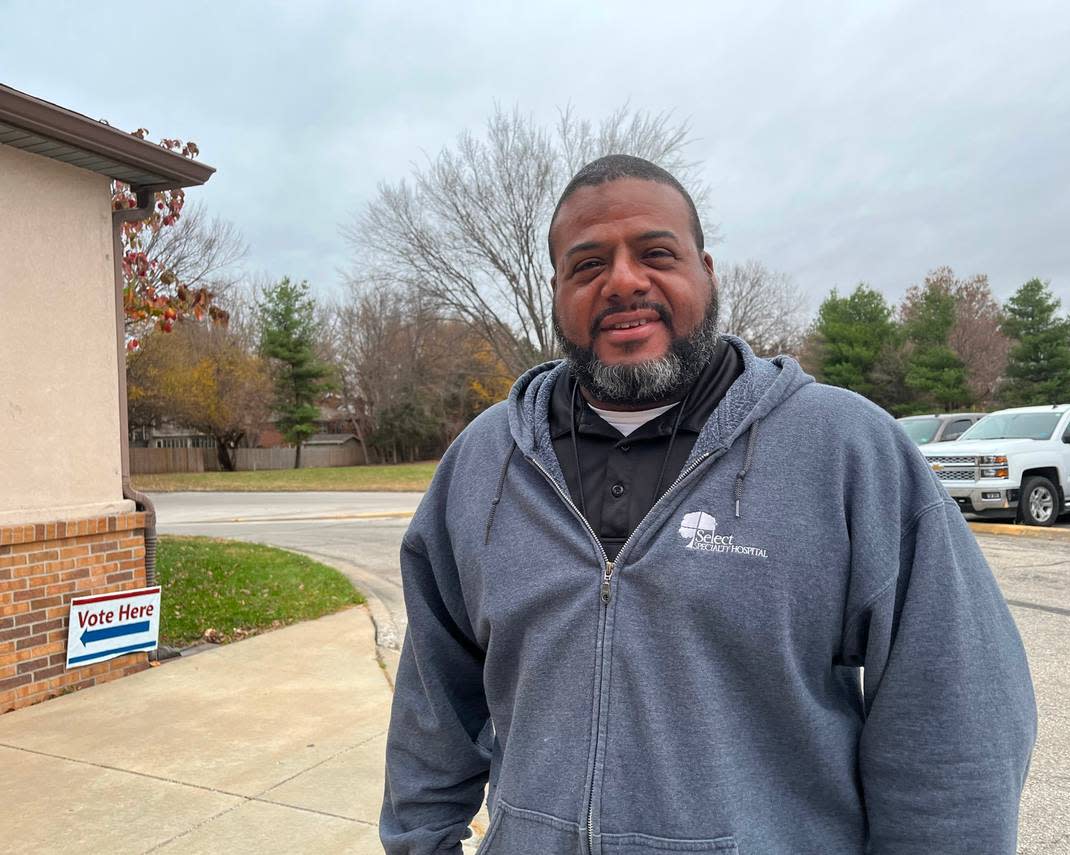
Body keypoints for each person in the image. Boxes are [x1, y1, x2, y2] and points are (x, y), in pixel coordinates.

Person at [380, 155, 1036, 854]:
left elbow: (957, 729)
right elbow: (431, 710)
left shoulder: (846, 450)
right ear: (555, 291)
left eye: (656, 253)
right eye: (588, 264)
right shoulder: (485, 461)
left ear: (707, 269)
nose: (624, 280)